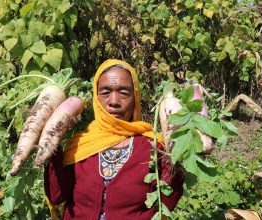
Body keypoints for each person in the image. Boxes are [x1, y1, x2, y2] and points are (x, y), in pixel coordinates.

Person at [43, 59, 184, 220]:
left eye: (123, 92)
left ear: (135, 97)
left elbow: (168, 202)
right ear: (96, 97)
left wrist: (179, 155)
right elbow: (57, 196)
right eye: (105, 92)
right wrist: (51, 144)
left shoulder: (153, 146)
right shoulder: (79, 144)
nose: (114, 101)